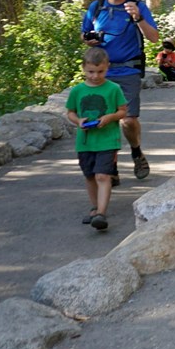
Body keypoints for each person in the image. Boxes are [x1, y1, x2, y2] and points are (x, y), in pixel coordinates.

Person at [82, 0, 160, 181]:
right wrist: (88, 39)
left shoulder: (137, 7)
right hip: (101, 73)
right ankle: (111, 168)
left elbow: (154, 38)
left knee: (128, 119)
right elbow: (84, 35)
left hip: (128, 70)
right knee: (104, 120)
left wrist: (139, 19)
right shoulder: (96, 8)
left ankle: (136, 151)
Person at [64, 47, 128, 231]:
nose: (95, 76)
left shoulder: (113, 89)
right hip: (85, 142)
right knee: (90, 175)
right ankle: (94, 207)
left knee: (102, 175)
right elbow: (70, 112)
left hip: (108, 140)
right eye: (91, 71)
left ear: (107, 67)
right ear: (84, 68)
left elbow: (123, 111)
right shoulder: (77, 91)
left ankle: (101, 212)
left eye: (100, 71)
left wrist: (109, 118)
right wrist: (78, 121)